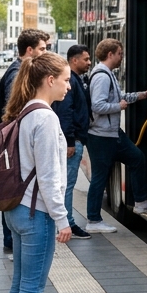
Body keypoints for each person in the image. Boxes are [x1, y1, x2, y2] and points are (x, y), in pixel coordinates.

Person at [2, 52, 73, 293]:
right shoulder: (45, 118)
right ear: (50, 80)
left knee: (19, 285)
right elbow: (49, 176)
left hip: (17, 210)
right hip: (37, 213)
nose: (68, 86)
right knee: (31, 289)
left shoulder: (23, 112)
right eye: (66, 80)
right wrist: (62, 218)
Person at [85, 39, 147, 233]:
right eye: (120, 53)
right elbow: (98, 105)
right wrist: (118, 107)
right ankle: (93, 220)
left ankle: (140, 201)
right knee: (100, 177)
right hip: (101, 135)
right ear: (110, 54)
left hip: (112, 134)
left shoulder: (109, 75)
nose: (122, 57)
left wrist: (141, 95)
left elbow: (120, 96)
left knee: (137, 158)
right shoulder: (102, 77)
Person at [0, 29, 50, 254]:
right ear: (29, 50)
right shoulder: (17, 74)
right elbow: (15, 110)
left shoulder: (20, 71)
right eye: (42, 49)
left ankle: (13, 242)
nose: (45, 52)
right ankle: (12, 242)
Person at [52, 43, 93, 239]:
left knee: (66, 183)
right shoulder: (72, 82)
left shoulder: (76, 80)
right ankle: (67, 223)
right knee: (67, 184)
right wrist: (70, 140)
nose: (89, 62)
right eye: (86, 59)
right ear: (74, 60)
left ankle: (65, 222)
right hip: (73, 140)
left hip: (74, 138)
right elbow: (66, 112)